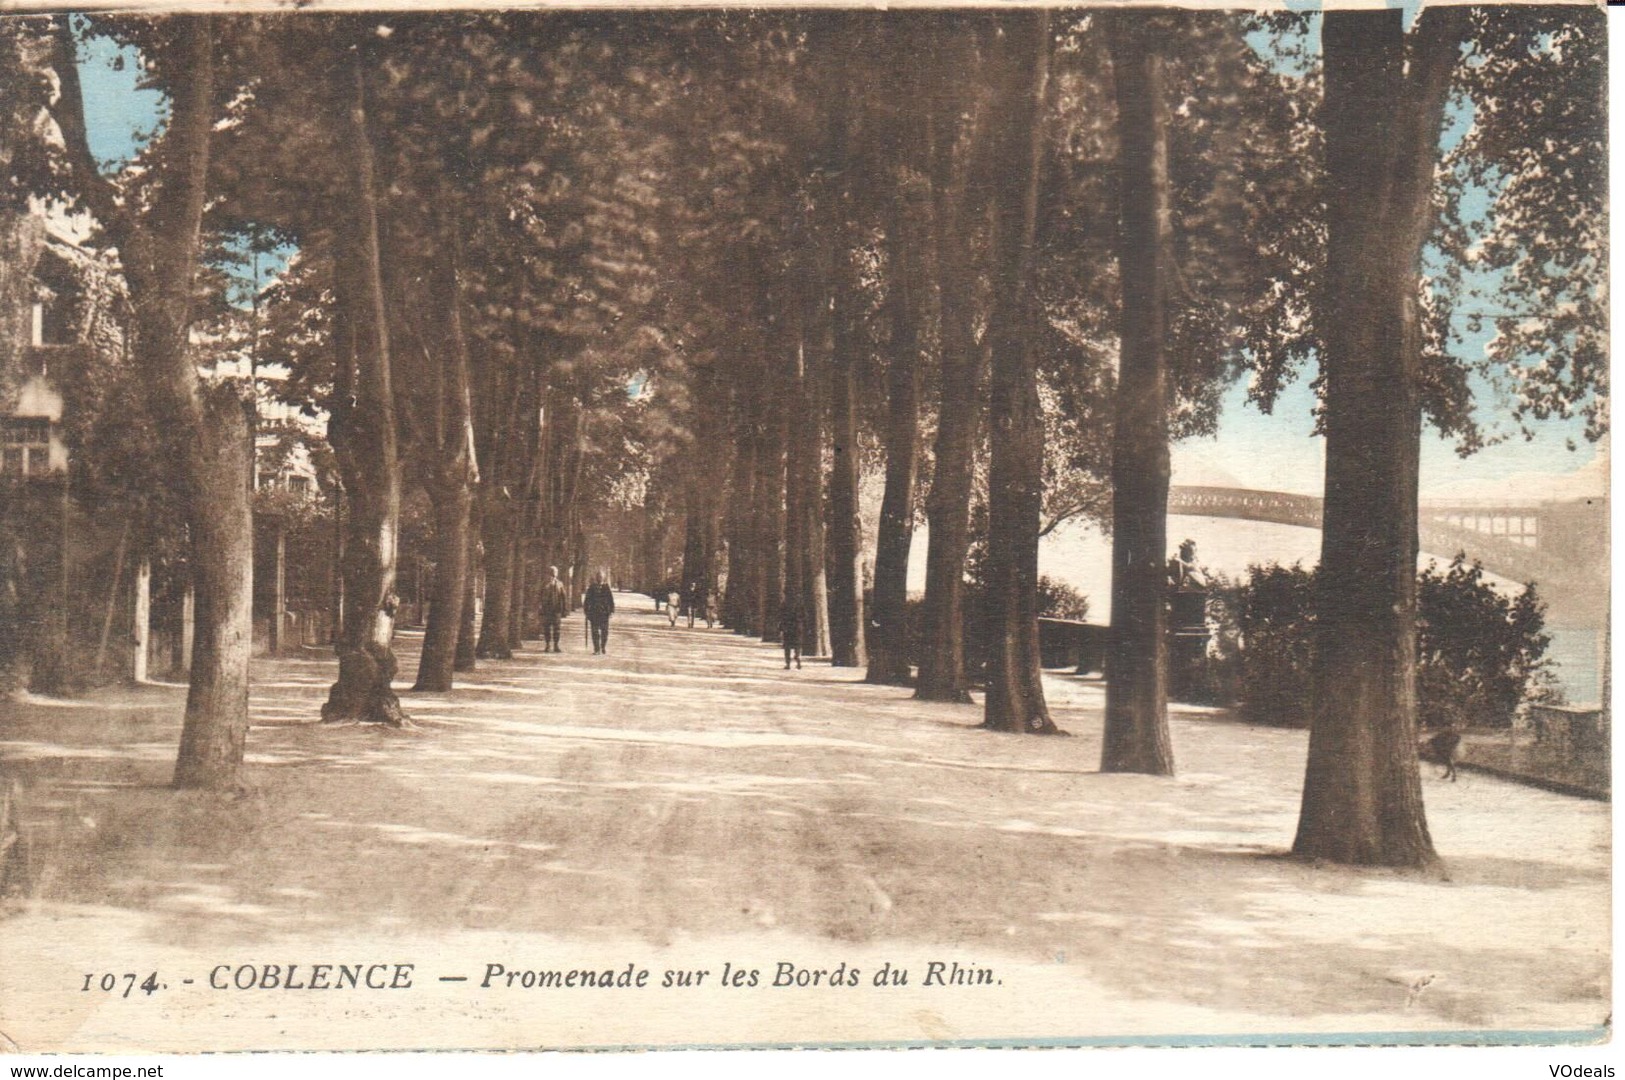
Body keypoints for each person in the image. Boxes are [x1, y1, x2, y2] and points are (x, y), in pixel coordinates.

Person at [584, 570, 616, 654]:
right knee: (595, 632)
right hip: (594, 613)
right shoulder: (592, 587)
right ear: (596, 578)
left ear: (603, 578)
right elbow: (587, 600)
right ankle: (597, 649)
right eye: (598, 577)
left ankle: (603, 646)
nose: (599, 578)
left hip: (604, 614)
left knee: (604, 632)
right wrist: (586, 611)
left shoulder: (606, 587)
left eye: (601, 577)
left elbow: (610, 600)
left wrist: (611, 611)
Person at [539, 565, 569, 653]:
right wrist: (540, 606)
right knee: (547, 628)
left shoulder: (560, 584)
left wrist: (564, 609)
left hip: (557, 610)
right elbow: (539, 596)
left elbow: (564, 597)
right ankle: (548, 645)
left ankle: (556, 645)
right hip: (547, 609)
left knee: (557, 628)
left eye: (555, 573)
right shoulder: (544, 583)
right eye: (552, 572)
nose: (553, 574)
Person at [778, 601, 802, 670]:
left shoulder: (784, 604)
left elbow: (781, 617)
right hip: (797, 628)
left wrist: (781, 629)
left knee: (787, 647)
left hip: (787, 628)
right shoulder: (799, 603)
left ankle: (788, 664)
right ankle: (797, 657)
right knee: (797, 645)